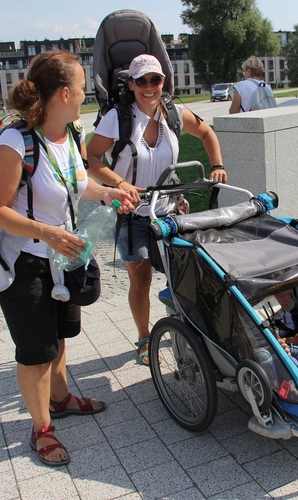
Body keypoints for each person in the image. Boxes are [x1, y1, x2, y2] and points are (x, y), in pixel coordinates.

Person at [0, 50, 135, 467]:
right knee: (35, 349)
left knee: (61, 333)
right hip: (25, 261)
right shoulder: (16, 142)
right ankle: (41, 429)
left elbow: (75, 183)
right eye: (83, 87)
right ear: (64, 92)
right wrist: (47, 232)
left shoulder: (70, 134)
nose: (87, 94)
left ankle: (61, 397)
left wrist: (106, 192)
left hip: (64, 257)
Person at [87, 54, 228, 366]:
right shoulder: (118, 118)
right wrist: (119, 182)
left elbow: (207, 132)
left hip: (169, 210)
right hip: (133, 214)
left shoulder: (174, 112)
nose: (149, 87)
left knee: (181, 275)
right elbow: (92, 159)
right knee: (140, 281)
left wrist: (216, 165)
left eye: (155, 80)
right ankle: (144, 337)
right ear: (131, 84)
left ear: (163, 82)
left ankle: (183, 329)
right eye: (142, 81)